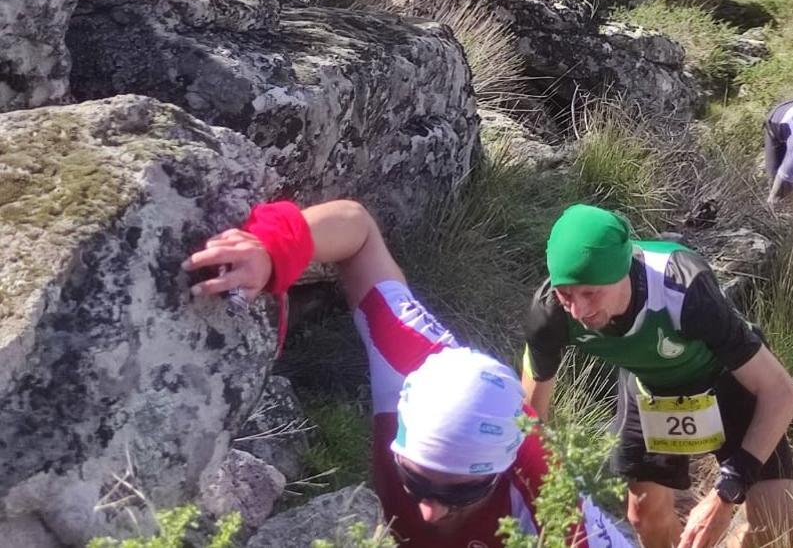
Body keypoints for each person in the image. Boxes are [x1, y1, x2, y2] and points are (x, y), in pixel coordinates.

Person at [183, 200, 632, 547]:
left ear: (503, 469)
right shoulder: (410, 360)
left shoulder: (553, 512)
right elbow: (357, 231)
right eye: (414, 478)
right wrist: (272, 248)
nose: (430, 509)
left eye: (460, 493)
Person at [521, 204, 793, 548]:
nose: (579, 311)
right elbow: (532, 425)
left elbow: (782, 394)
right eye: (567, 295)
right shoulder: (550, 313)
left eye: (591, 293)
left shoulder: (682, 286)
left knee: (776, 528)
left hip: (727, 381)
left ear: (621, 271)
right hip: (651, 387)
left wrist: (728, 490)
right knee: (643, 515)